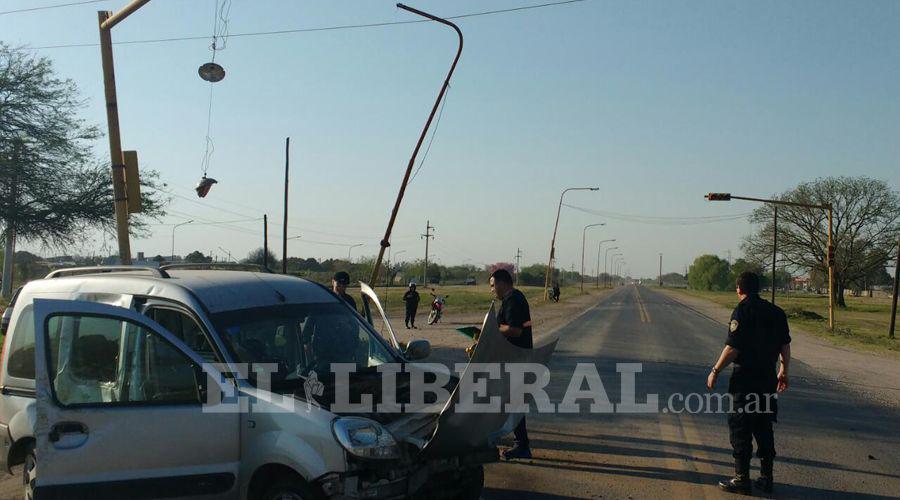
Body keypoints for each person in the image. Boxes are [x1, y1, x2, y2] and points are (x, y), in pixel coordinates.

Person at [707, 271, 791, 494]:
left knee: (741, 427)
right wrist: (784, 370)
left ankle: (742, 478)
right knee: (764, 426)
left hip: (745, 380)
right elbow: (785, 346)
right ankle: (766, 477)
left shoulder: (742, 311)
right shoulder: (776, 312)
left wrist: (715, 370)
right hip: (767, 378)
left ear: (739, 289)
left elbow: (734, 348)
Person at [490, 268, 534, 460]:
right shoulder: (515, 298)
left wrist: (492, 330)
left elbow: (515, 331)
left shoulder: (512, 300)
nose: (492, 290)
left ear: (502, 283)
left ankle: (521, 445)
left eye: (493, 286)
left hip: (516, 360)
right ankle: (519, 443)